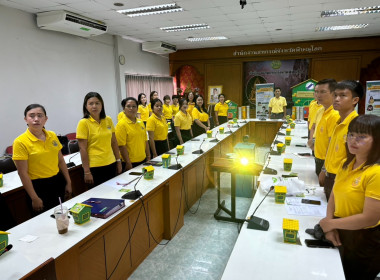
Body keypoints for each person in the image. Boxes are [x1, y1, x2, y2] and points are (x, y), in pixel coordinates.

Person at [319, 114, 380, 280]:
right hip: (341, 229)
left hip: (365, 239)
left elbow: (369, 219)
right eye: (351, 135)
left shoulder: (376, 172)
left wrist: (330, 223)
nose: (353, 140)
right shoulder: (348, 162)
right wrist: (330, 226)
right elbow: (334, 195)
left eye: (362, 137)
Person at [13, 104, 72, 214]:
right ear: (26, 119)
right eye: (32, 116)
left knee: (62, 216)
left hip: (58, 181)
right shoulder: (20, 142)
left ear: (46, 119)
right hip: (38, 187)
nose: (36, 119)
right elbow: (22, 173)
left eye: (40, 115)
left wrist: (68, 182)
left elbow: (60, 161)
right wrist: (34, 198)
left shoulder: (52, 135)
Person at [320, 80, 362, 200]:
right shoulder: (339, 121)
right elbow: (331, 150)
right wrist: (324, 170)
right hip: (330, 176)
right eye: (335, 95)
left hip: (342, 180)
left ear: (355, 100)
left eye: (343, 95)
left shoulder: (357, 126)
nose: (336, 99)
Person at [76, 92, 122, 187]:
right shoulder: (83, 123)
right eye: (91, 103)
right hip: (94, 167)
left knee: (113, 193)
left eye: (97, 103)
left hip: (111, 163)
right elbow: (82, 149)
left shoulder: (108, 120)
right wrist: (87, 171)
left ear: (102, 105)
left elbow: (114, 142)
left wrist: (118, 161)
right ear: (86, 106)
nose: (94, 106)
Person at [309, 79, 339, 177]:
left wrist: (324, 168)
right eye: (316, 92)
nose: (318, 95)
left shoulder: (335, 115)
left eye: (323, 92)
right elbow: (317, 130)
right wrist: (313, 141)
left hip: (327, 163)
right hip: (318, 157)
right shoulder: (320, 110)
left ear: (334, 94)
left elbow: (332, 145)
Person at [116, 97, 150, 170]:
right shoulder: (121, 124)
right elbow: (121, 146)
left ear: (137, 108)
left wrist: (148, 156)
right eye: (128, 106)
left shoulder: (140, 122)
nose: (131, 108)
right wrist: (128, 162)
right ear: (124, 109)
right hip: (130, 162)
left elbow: (145, 140)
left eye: (134, 106)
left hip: (143, 159)